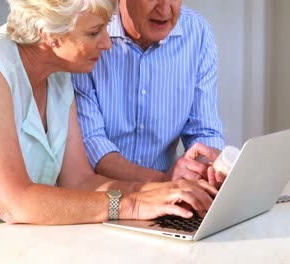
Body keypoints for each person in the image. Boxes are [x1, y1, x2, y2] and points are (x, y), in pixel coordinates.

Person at [0, 0, 218, 232]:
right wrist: (132, 205)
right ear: (49, 34)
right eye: (95, 32)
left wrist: (158, 191)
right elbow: (15, 203)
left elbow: (81, 182)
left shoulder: (60, 77)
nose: (108, 43)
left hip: (19, 243)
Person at [72, 0, 226, 186]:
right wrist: (162, 181)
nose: (164, 9)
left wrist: (203, 171)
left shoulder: (198, 34)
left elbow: (204, 132)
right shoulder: (88, 32)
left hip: (171, 193)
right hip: (104, 195)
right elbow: (91, 141)